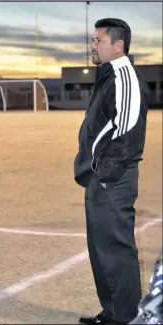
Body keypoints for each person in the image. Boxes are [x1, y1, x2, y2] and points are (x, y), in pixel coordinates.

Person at [74, 18, 149, 325]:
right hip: (101, 176)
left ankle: (127, 317)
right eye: (93, 40)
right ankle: (113, 312)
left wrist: (105, 174)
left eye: (98, 40)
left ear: (118, 46)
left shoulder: (123, 77)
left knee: (116, 248)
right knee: (101, 248)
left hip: (112, 180)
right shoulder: (107, 75)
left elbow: (128, 131)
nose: (93, 45)